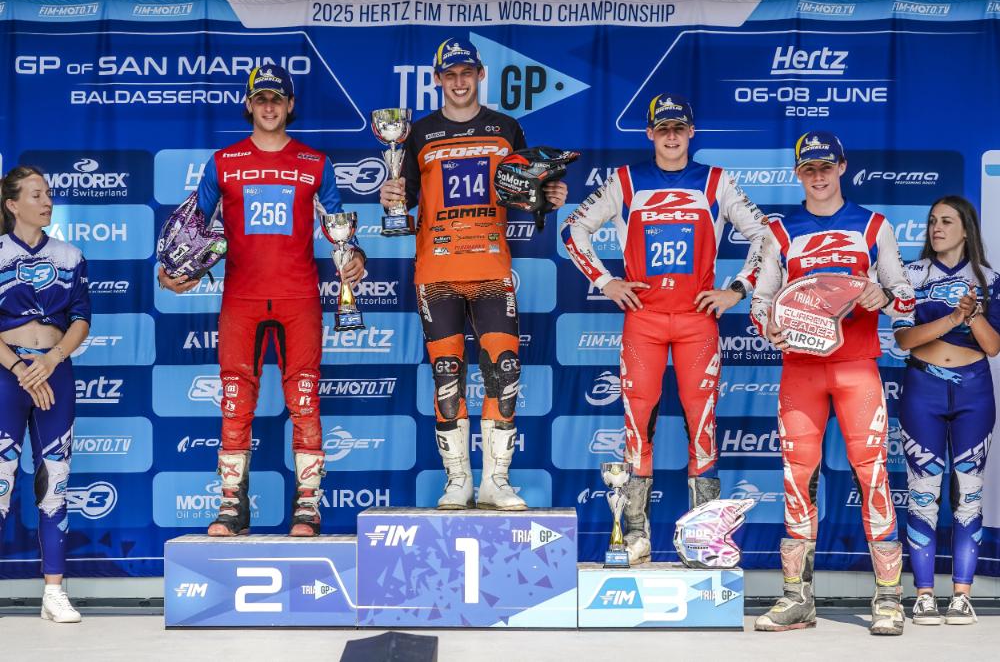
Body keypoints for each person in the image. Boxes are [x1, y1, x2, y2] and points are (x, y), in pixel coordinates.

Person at [560, 94, 770, 564]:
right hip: (645, 320)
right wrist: (606, 281)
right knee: (638, 427)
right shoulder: (625, 180)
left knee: (703, 428)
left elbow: (765, 235)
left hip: (698, 321)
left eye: (679, 127)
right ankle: (636, 536)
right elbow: (573, 229)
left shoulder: (715, 181)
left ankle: (703, 538)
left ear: (691, 132)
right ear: (650, 134)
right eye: (663, 128)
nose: (671, 136)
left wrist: (737, 288)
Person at [159, 65, 365, 537]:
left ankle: (307, 507)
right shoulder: (223, 162)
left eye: (277, 98)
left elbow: (339, 228)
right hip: (242, 298)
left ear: (290, 105)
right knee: (235, 402)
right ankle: (232, 506)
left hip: (298, 297)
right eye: (261, 99)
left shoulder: (315, 163)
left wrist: (354, 258)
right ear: (249, 105)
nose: (269, 107)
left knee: (304, 400)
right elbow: (193, 231)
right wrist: (177, 271)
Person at [378, 38, 567, 510]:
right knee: (447, 375)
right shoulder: (418, 134)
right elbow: (406, 198)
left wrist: (549, 197)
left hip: (490, 268)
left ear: (480, 74)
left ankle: (496, 482)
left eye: (466, 72)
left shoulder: (506, 128)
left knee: (505, 370)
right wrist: (392, 198)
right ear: (437, 79)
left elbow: (523, 188)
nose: (459, 82)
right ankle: (458, 481)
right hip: (437, 271)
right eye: (450, 74)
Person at [751, 132, 915, 635]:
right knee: (796, 476)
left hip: (856, 367)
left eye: (826, 166)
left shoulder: (874, 226)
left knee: (873, 474)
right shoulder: (779, 231)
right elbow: (761, 301)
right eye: (808, 169)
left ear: (842, 167)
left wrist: (883, 295)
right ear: (797, 174)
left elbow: (905, 297)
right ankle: (797, 597)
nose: (818, 176)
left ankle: (888, 598)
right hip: (800, 370)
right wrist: (768, 326)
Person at [893, 196, 1000, 626]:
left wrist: (972, 316)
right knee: (923, 494)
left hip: (975, 392)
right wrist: (953, 318)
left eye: (947, 221)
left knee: (969, 496)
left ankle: (961, 596)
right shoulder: (910, 275)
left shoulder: (990, 280)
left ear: (966, 229)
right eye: (933, 221)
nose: (936, 228)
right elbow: (904, 339)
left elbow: (993, 346)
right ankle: (923, 595)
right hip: (924, 389)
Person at [0, 167, 91, 623]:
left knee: (56, 481)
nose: (47, 201)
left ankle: (54, 593)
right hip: (7, 375)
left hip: (54, 372)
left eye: (49, 194)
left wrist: (51, 361)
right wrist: (20, 368)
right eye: (36, 195)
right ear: (12, 204)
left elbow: (81, 319)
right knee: (1, 479)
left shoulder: (70, 256)